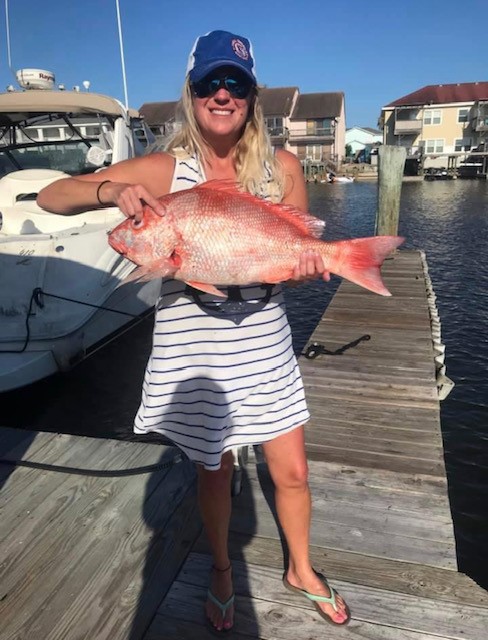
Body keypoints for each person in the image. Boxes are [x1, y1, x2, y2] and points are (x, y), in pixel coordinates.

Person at [37, 29, 350, 632]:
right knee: (215, 470)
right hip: (196, 353)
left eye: (236, 83)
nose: (224, 94)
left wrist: (315, 263)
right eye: (211, 81)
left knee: (293, 472)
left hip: (264, 346)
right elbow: (53, 196)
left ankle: (301, 569)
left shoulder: (282, 168)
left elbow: (295, 258)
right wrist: (111, 188)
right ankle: (223, 571)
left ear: (252, 95)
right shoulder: (163, 169)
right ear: (192, 91)